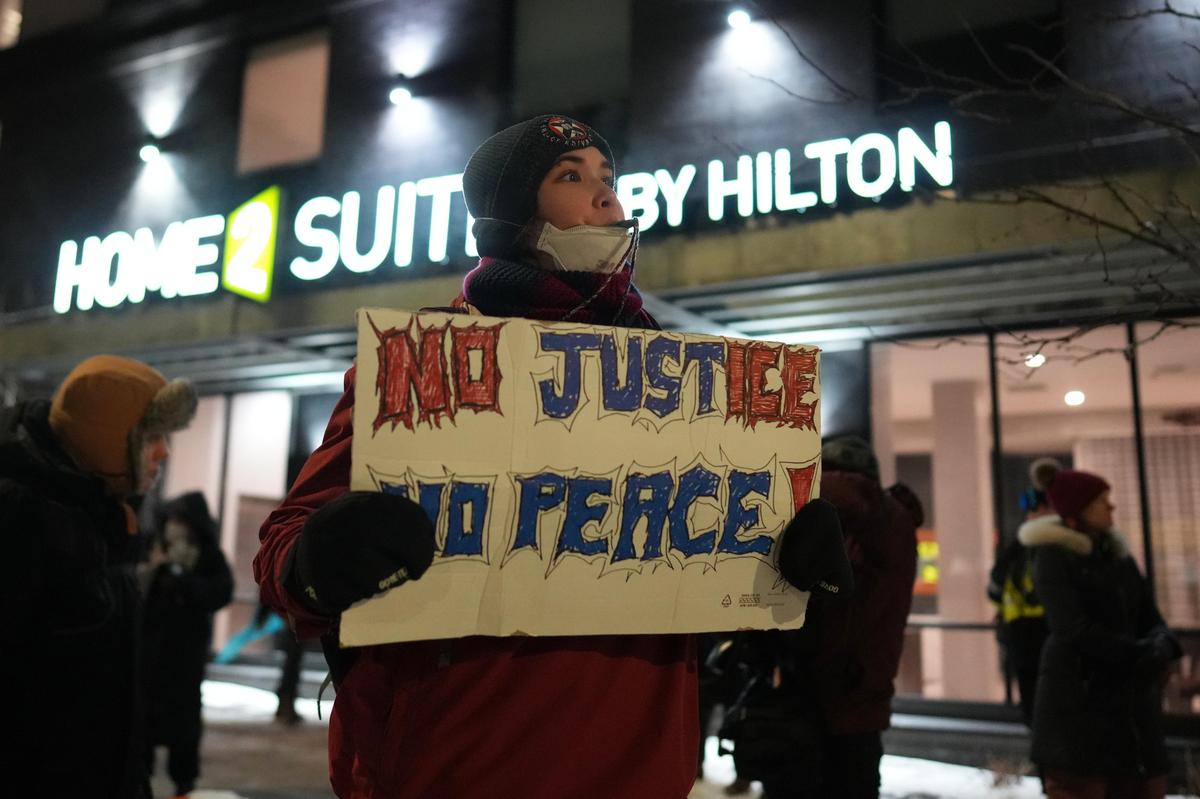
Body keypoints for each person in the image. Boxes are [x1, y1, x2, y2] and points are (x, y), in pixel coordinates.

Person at [254, 114, 849, 798]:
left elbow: (690, 568)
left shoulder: (681, 385)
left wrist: (786, 559)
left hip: (641, 771)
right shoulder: (426, 364)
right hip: (459, 763)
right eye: (571, 176)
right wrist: (317, 562)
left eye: (609, 178)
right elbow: (284, 549)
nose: (605, 197)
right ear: (510, 215)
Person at [0, 355, 197, 798]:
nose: (164, 452)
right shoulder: (21, 519)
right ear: (107, 440)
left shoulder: (106, 519)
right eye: (151, 436)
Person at [755, 436, 921, 799]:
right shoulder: (891, 529)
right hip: (859, 702)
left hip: (821, 699)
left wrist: (782, 485)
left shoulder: (866, 514)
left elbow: (847, 492)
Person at [1018, 464, 1181, 799]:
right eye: (1100, 501)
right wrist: (1140, 654)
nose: (1111, 507)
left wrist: (1163, 643)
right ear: (1076, 512)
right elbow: (1072, 627)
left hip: (1131, 711)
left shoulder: (1119, 558)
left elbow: (1149, 615)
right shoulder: (1053, 558)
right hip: (1078, 706)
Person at [141, 491, 234, 798]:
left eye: (182, 520)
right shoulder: (155, 549)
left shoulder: (207, 555)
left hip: (186, 655)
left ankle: (183, 782)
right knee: (143, 717)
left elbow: (220, 591)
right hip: (152, 652)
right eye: (173, 519)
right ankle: (140, 776)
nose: (176, 526)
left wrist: (183, 581)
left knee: (184, 722)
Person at [987, 457, 1059, 725]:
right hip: (1045, 639)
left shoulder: (1021, 547)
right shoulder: (1063, 544)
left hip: (1024, 640)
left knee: (1037, 715)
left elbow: (994, 587)